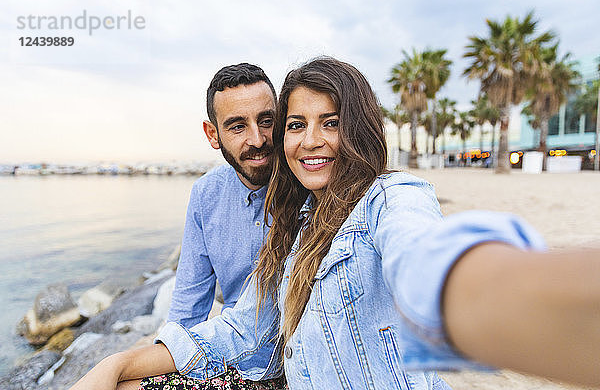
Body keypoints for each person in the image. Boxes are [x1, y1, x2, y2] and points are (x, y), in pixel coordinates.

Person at [71, 57, 600, 390]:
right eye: (297, 125)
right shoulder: (299, 227)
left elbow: (420, 256)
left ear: (359, 127)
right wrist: (116, 362)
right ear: (215, 134)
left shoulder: (390, 199)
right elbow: (237, 322)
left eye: (331, 123)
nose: (309, 140)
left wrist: (484, 295)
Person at [119, 63, 286, 389]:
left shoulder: (305, 187)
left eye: (266, 121)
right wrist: (146, 364)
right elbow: (188, 307)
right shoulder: (206, 194)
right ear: (213, 134)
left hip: (294, 366)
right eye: (237, 126)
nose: (257, 139)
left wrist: (120, 362)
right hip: (233, 361)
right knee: (124, 384)